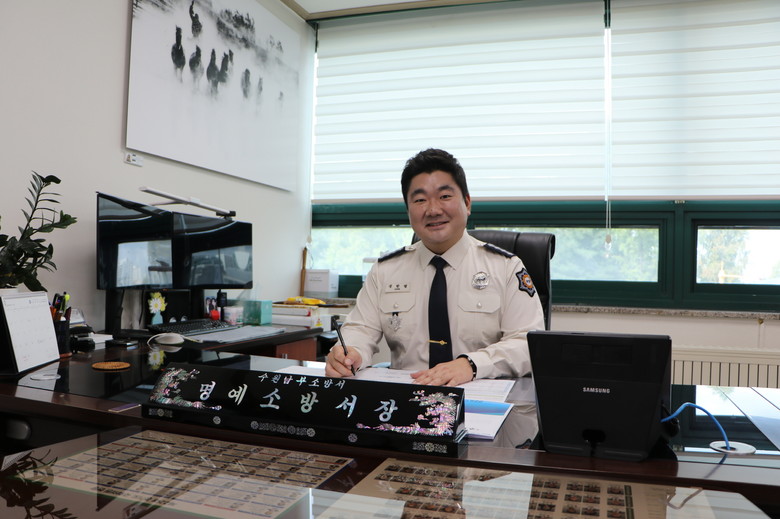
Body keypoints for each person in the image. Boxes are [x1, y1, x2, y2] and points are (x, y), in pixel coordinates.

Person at [325, 148, 545, 386]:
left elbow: (526, 344)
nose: (433, 210)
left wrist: (471, 364)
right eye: (420, 200)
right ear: (408, 210)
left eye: (445, 196)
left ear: (467, 203)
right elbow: (360, 330)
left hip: (479, 397)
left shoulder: (505, 267)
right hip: (408, 396)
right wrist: (350, 352)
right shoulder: (385, 271)